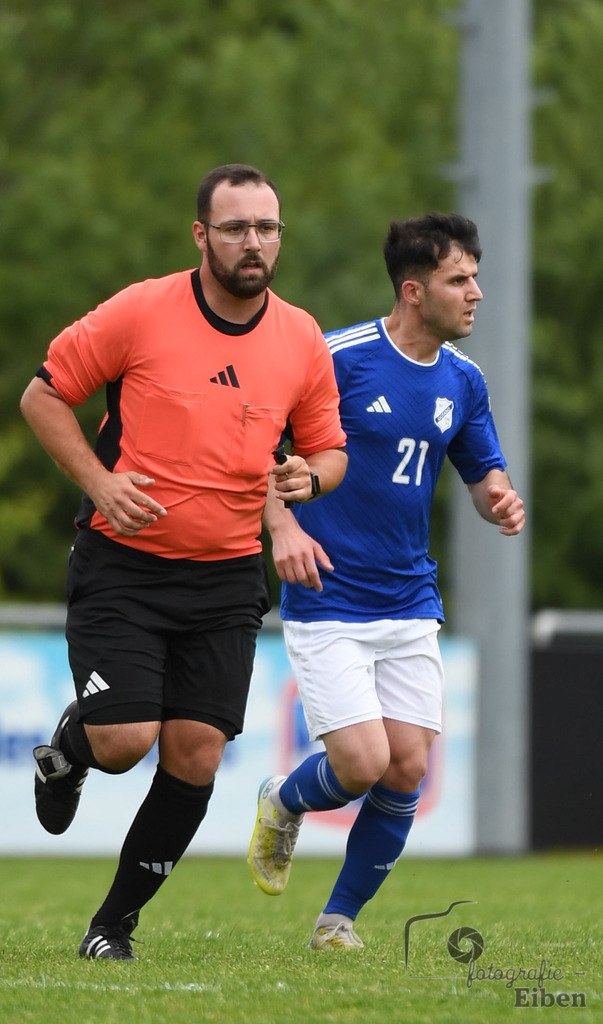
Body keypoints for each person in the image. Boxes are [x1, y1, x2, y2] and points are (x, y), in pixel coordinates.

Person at [20, 163, 348, 960]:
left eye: (266, 228)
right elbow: (42, 395)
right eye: (235, 227)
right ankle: (71, 749)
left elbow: (328, 450)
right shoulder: (142, 310)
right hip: (124, 567)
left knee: (196, 753)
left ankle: (112, 927)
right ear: (200, 234)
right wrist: (99, 483)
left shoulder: (300, 335)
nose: (253, 243)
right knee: (126, 740)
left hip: (228, 576)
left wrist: (309, 476)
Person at [248, 212, 525, 950]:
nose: (474, 293)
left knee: (404, 769)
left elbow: (479, 469)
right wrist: (283, 527)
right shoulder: (336, 358)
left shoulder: (464, 380)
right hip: (329, 592)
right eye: (457, 280)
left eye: (475, 277)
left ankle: (336, 922)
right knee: (362, 762)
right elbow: (263, 448)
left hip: (409, 597)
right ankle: (283, 800)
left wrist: (497, 495)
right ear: (412, 289)